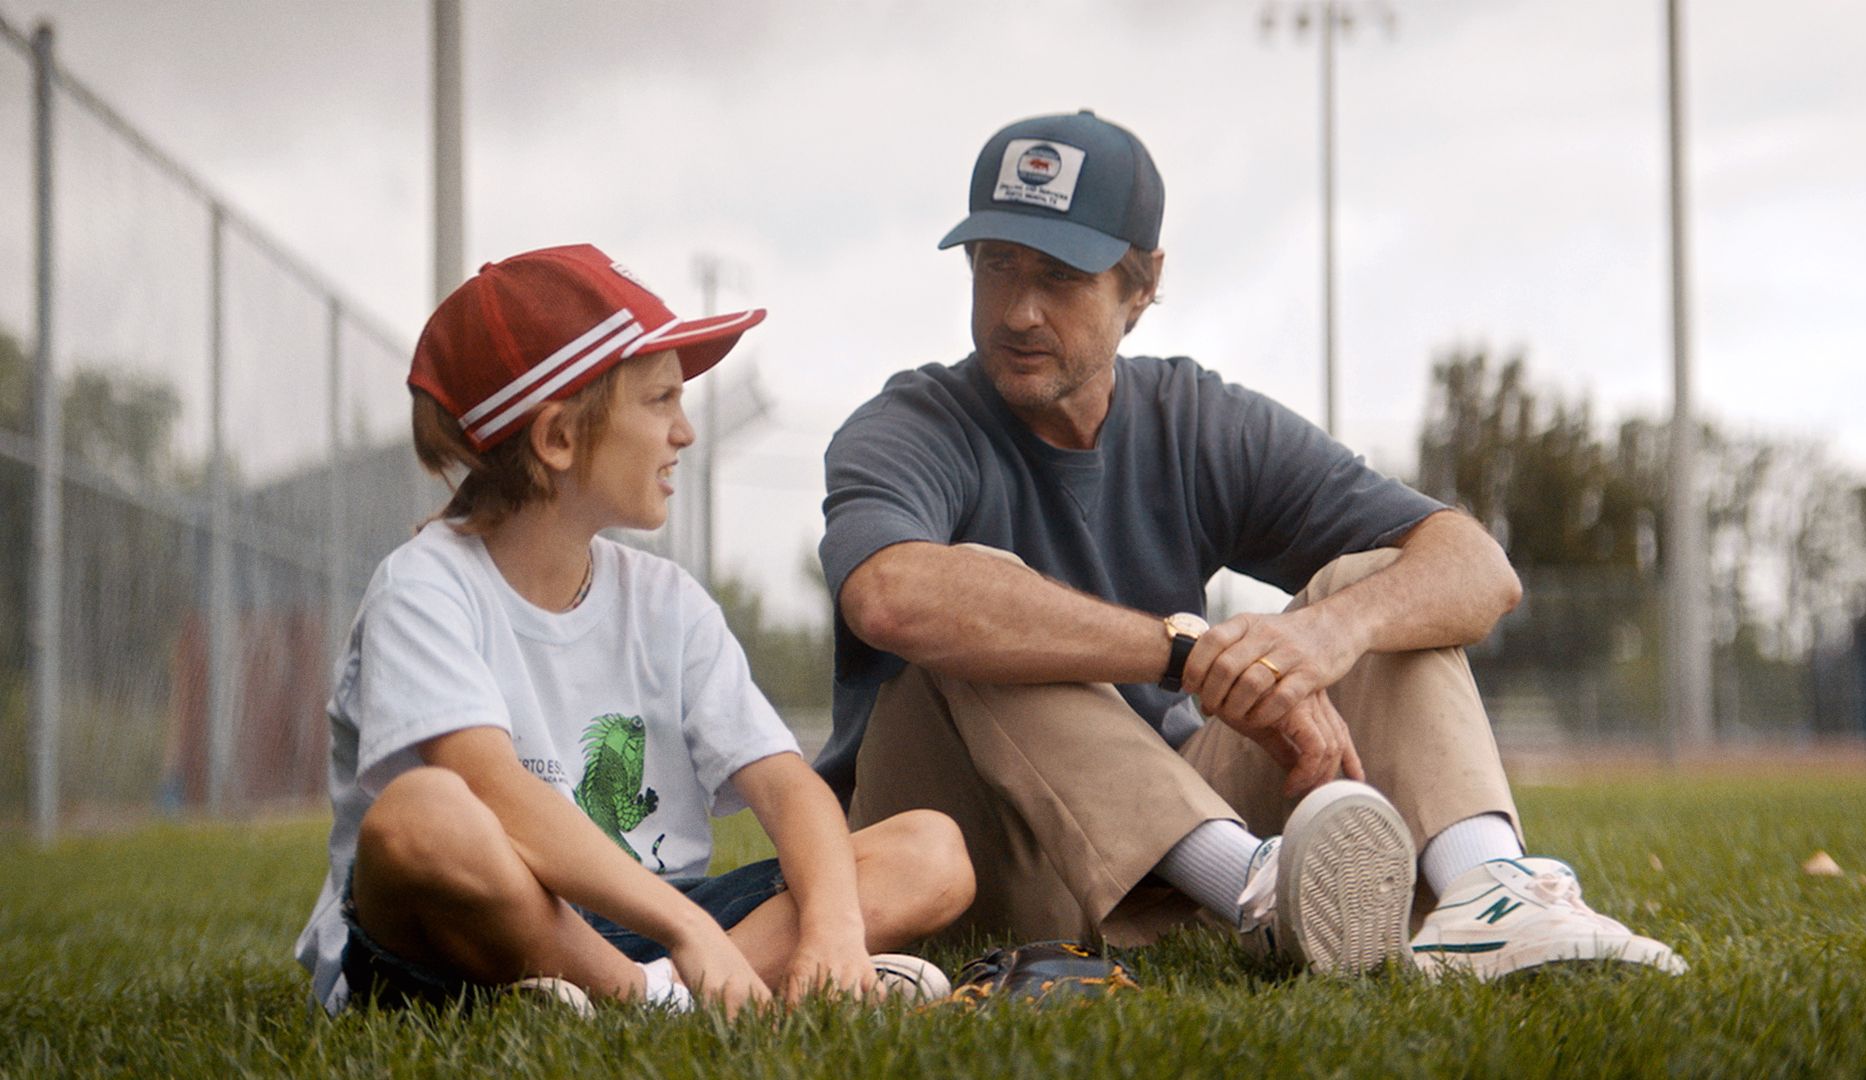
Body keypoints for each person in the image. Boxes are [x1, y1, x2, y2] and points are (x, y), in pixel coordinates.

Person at [816, 111, 1684, 980]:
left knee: (1377, 579)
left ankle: (1487, 893)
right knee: (974, 594)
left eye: (1060, 274)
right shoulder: (910, 425)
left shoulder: (1193, 419)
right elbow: (892, 595)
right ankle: (1261, 893)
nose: (1018, 310)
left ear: (1143, 284)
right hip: (961, 860)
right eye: (996, 265)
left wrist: (1322, 638)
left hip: (1158, 849)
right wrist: (1186, 655)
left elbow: (1476, 569)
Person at [294, 244, 973, 1017]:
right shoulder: (424, 586)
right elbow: (491, 790)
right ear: (557, 439)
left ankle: (648, 998)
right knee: (423, 816)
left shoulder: (665, 599)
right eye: (660, 400)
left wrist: (834, 929)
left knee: (932, 851)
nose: (684, 432)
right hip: (474, 917)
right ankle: (683, 993)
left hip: (651, 925)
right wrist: (689, 928)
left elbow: (788, 787)